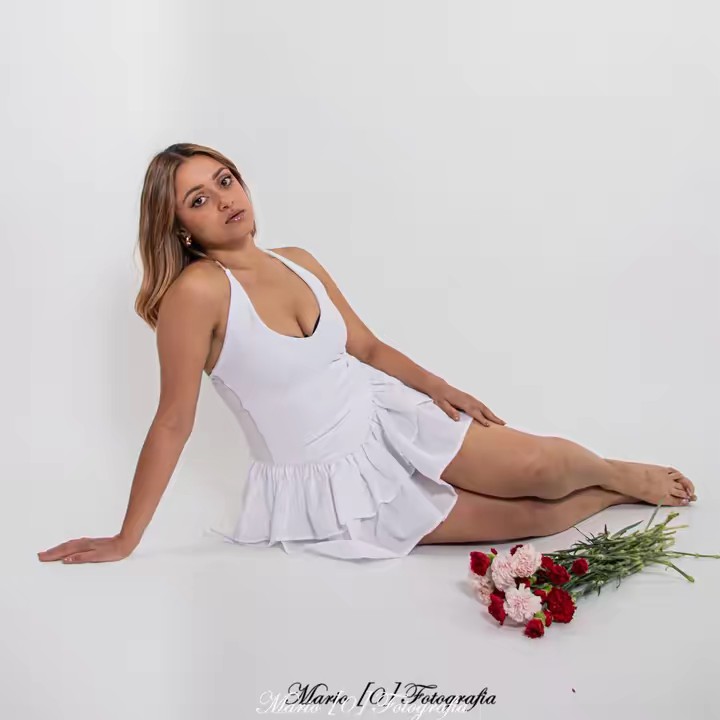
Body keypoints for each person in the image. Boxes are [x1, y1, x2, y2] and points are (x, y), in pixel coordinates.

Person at [37, 142, 697, 564]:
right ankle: (611, 495)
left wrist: (441, 388)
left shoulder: (296, 259)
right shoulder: (198, 293)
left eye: (226, 179)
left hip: (386, 416)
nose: (226, 199)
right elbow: (173, 421)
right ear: (180, 227)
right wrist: (127, 538)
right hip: (332, 479)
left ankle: (614, 470)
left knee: (541, 465)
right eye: (200, 199)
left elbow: (365, 344)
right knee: (530, 517)